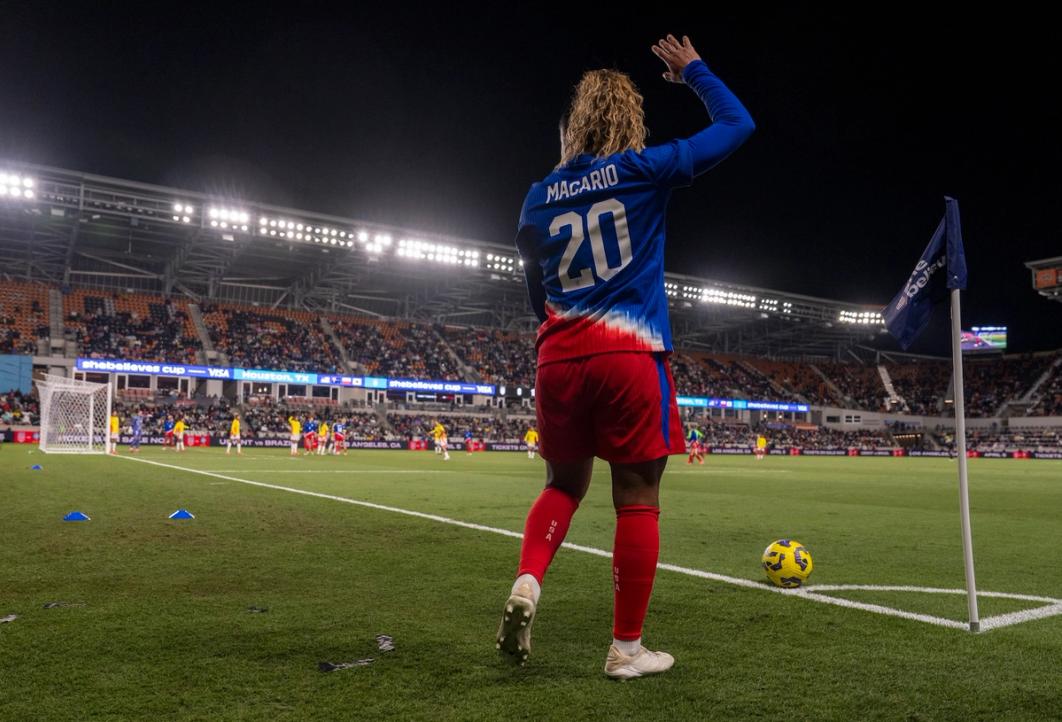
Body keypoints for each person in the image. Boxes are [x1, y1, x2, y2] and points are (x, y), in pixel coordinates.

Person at [496, 34, 754, 679]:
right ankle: (626, 650)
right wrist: (694, 71)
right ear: (629, 119)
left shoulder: (537, 195)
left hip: (557, 357)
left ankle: (528, 581)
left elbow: (534, 289)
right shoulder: (645, 167)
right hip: (629, 353)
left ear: (573, 125)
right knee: (637, 496)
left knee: (561, 485)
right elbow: (737, 124)